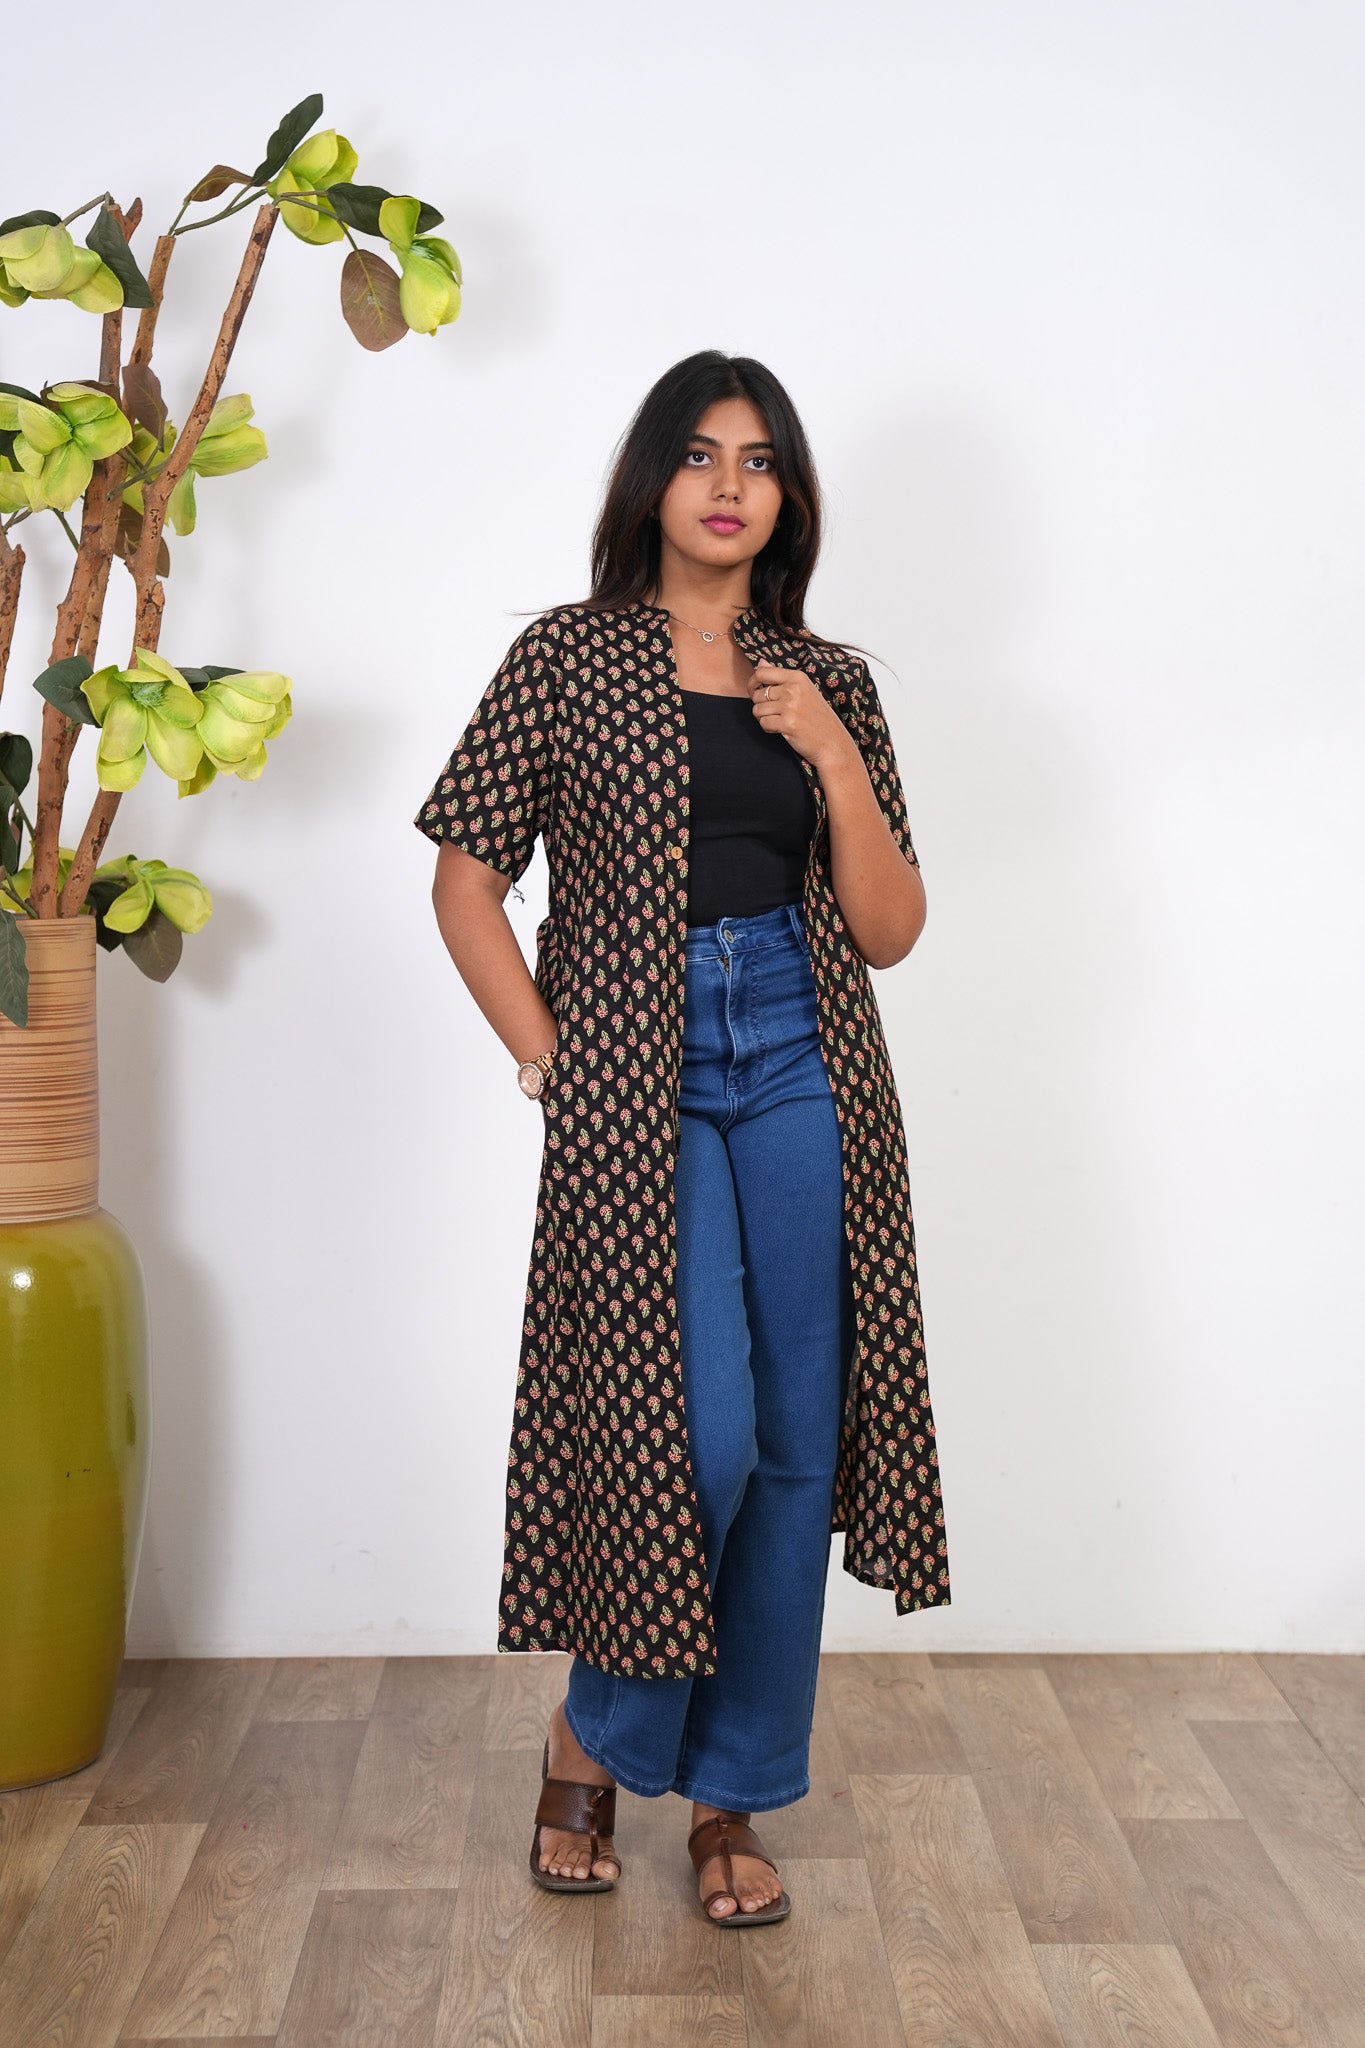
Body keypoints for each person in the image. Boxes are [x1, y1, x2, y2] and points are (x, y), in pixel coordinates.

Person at [414, 350, 950, 1927]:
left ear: (788, 496)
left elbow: (889, 929)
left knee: (791, 1442)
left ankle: (732, 1795)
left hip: (801, 1046)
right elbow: (464, 879)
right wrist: (547, 1062)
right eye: (701, 454)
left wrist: (831, 754)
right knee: (690, 1432)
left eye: (760, 460)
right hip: (628, 1057)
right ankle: (595, 1732)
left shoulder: (824, 679)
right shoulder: (566, 657)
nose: (729, 485)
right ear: (651, 479)